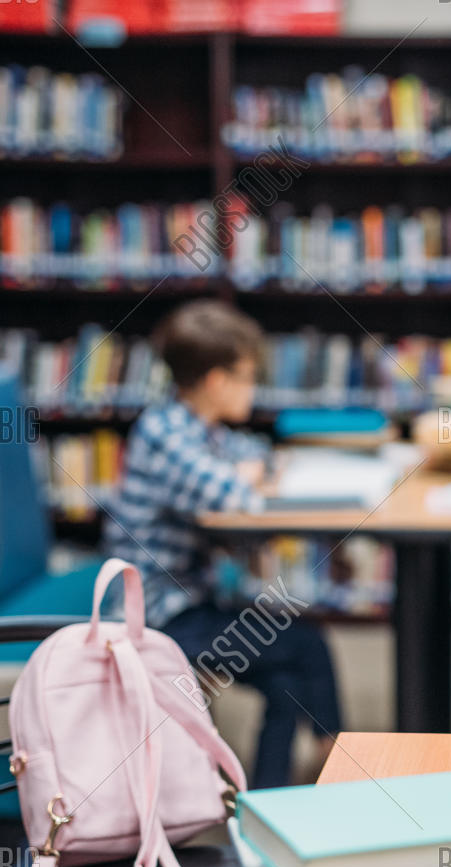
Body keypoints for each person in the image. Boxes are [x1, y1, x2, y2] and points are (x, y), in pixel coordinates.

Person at [103, 300, 341, 786]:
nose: (254, 389)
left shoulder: (202, 430)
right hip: (159, 619)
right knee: (308, 643)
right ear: (216, 381)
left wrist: (254, 471)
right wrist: (250, 475)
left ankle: (269, 802)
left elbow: (261, 460)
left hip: (197, 602)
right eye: (248, 377)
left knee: (286, 680)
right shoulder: (163, 433)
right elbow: (236, 497)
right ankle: (337, 762)